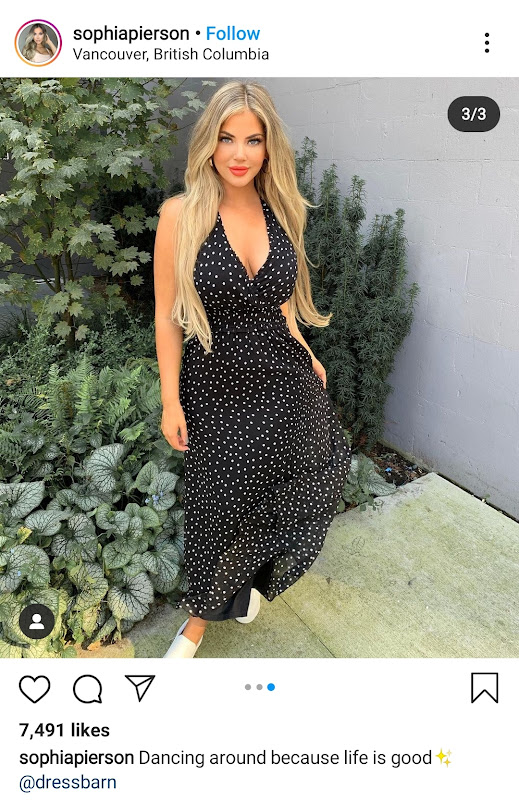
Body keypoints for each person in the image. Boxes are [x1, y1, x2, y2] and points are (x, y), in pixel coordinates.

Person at [153, 81, 352, 658]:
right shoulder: (181, 215)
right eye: (226, 138)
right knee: (219, 506)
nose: (239, 153)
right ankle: (197, 625)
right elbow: (167, 316)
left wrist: (305, 349)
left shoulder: (281, 211)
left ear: (269, 147)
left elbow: (280, 302)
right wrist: (172, 401)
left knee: (309, 473)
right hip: (217, 382)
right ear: (209, 144)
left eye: (253, 140)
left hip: (282, 374)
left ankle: (241, 590)